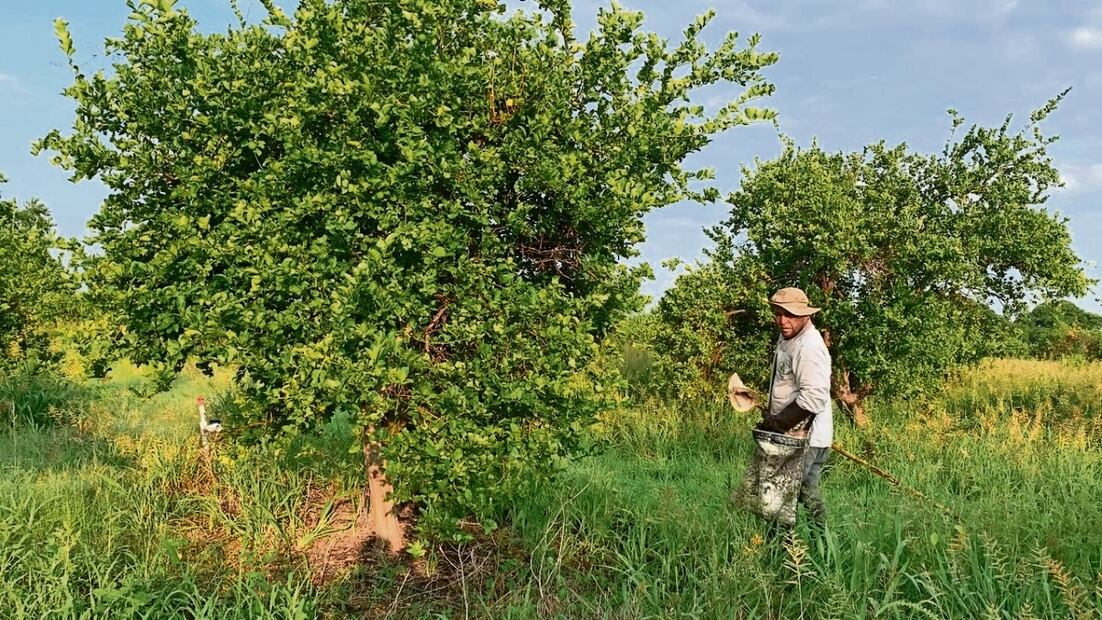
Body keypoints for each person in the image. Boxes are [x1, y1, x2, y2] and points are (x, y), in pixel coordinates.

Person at [760, 287, 833, 526]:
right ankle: (823, 543)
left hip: (805, 438)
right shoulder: (789, 337)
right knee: (806, 491)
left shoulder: (808, 346)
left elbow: (813, 398)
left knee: (780, 495)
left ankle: (782, 550)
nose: (782, 320)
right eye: (778, 313)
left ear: (805, 315)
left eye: (789, 314)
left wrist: (777, 424)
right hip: (795, 434)